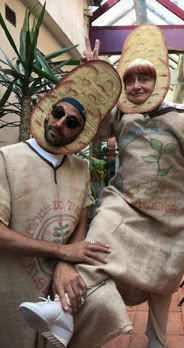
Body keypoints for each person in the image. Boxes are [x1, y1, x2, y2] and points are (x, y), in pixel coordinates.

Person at [19, 25, 184, 348]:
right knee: (94, 252)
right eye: (130, 79)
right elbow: (86, 122)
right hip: (123, 205)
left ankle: (157, 339)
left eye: (144, 78)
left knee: (162, 283)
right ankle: (62, 312)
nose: (136, 86)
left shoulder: (183, 119)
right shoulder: (120, 115)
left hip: (170, 219)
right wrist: (88, 74)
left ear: (160, 79)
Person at [0, 60, 121, 348]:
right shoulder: (7, 158)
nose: (59, 123)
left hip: (59, 289)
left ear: (80, 133)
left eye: (71, 123)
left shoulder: (80, 168)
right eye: (58, 113)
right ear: (48, 111)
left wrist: (66, 262)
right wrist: (63, 251)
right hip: (12, 285)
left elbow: (81, 217)